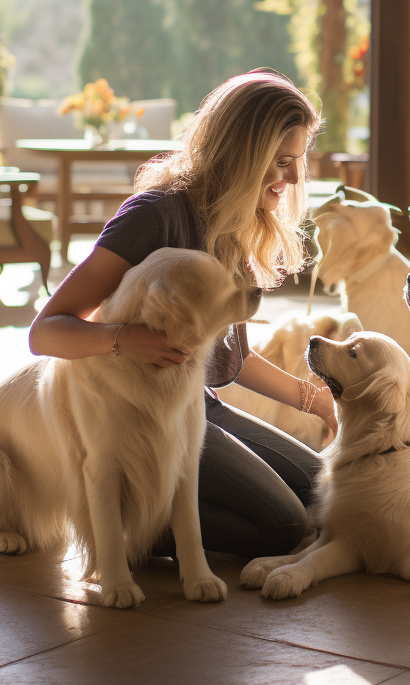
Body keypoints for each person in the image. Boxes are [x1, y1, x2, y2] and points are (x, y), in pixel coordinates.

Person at [29, 70, 335, 558]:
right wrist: (122, 338)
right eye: (281, 162)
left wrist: (312, 399)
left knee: (324, 493)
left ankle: (164, 510)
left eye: (297, 162)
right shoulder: (153, 214)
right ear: (242, 153)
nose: (294, 179)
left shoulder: (235, 221)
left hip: (199, 406)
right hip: (142, 417)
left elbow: (230, 356)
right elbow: (45, 333)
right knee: (284, 526)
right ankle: (119, 524)